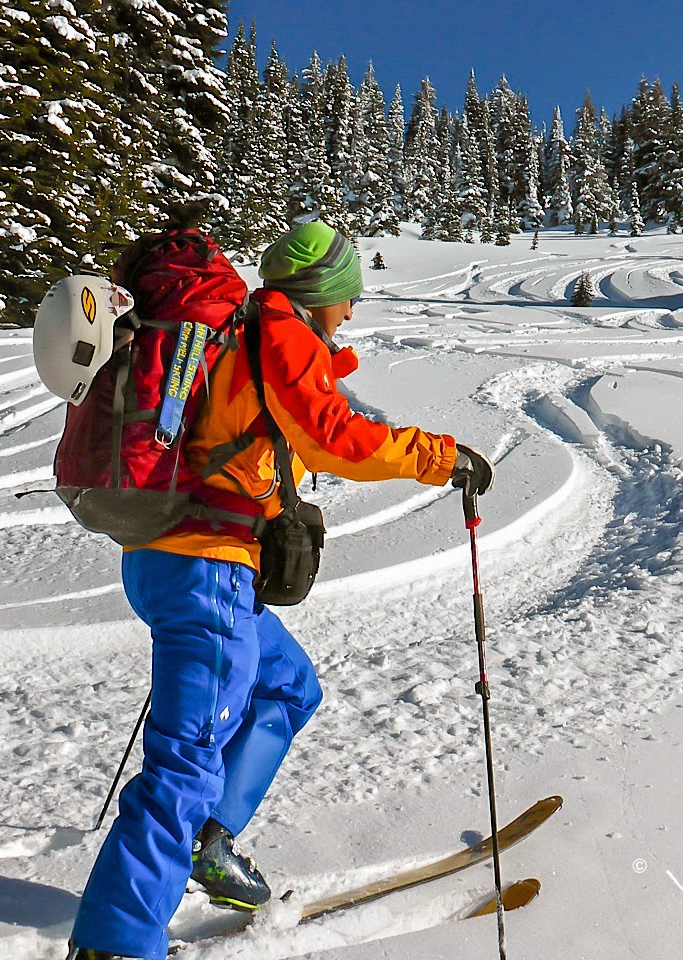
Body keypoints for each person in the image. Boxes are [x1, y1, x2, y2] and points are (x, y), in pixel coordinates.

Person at [66, 220, 495, 960]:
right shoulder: (279, 330)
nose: (352, 312)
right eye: (348, 296)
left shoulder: (243, 333)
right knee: (184, 765)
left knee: (289, 687)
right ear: (321, 291)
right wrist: (440, 456)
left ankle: (211, 842)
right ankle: (116, 944)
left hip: (175, 561)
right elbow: (335, 437)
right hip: (204, 568)